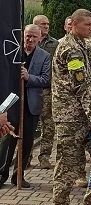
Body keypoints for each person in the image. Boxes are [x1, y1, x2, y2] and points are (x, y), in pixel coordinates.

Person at [49, 9, 91, 205]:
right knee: (67, 169)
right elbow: (80, 86)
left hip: (81, 115)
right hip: (70, 119)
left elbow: (87, 82)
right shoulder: (71, 49)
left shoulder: (80, 45)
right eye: (87, 25)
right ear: (73, 24)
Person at [0, 24, 50, 186]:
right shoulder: (14, 52)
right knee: (8, 139)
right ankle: (2, 173)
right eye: (28, 35)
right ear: (23, 36)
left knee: (27, 141)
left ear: (40, 38)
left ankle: (18, 176)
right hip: (12, 104)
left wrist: (29, 77)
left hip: (31, 105)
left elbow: (46, 80)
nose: (30, 39)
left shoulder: (44, 56)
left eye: (34, 36)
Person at [29, 14, 58, 170]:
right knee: (30, 125)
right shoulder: (29, 40)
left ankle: (44, 157)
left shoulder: (55, 44)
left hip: (48, 90)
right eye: (43, 24)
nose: (46, 26)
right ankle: (26, 156)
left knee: (48, 125)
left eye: (47, 24)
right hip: (31, 89)